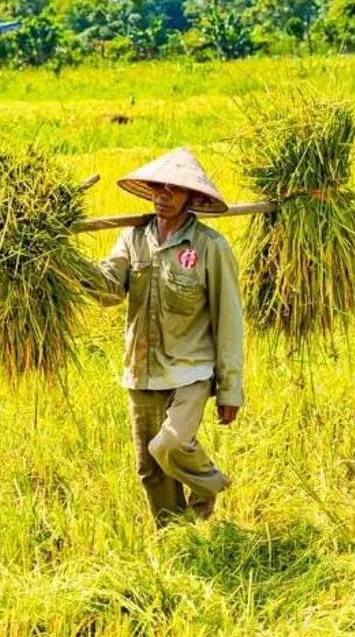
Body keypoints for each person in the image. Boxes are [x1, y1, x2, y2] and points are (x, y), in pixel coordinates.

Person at [89, 148, 245, 525]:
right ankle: (178, 538)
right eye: (159, 187)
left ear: (192, 197)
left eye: (174, 189)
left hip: (190, 371)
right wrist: (67, 262)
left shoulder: (210, 246)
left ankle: (209, 485)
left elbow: (229, 320)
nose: (163, 194)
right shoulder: (134, 238)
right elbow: (109, 290)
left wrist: (230, 389)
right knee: (150, 470)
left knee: (170, 445)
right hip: (141, 370)